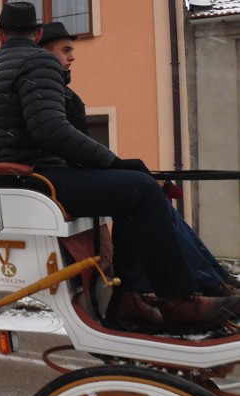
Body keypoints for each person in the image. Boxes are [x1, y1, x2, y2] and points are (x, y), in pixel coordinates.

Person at [0, 2, 240, 332]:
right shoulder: (38, 60)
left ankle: (133, 298)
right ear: (38, 34)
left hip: (19, 176)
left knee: (132, 187)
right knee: (140, 190)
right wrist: (114, 162)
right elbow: (51, 131)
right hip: (35, 177)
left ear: (0, 36)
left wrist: (113, 167)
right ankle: (176, 301)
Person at [39, 21, 240, 301]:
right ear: (45, 54)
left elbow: (77, 145)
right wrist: (116, 166)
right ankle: (185, 290)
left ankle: (216, 277)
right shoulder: (52, 93)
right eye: (66, 50)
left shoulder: (66, 94)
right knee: (141, 192)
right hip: (57, 181)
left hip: (68, 176)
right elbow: (67, 145)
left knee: (153, 195)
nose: (72, 56)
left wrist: (121, 166)